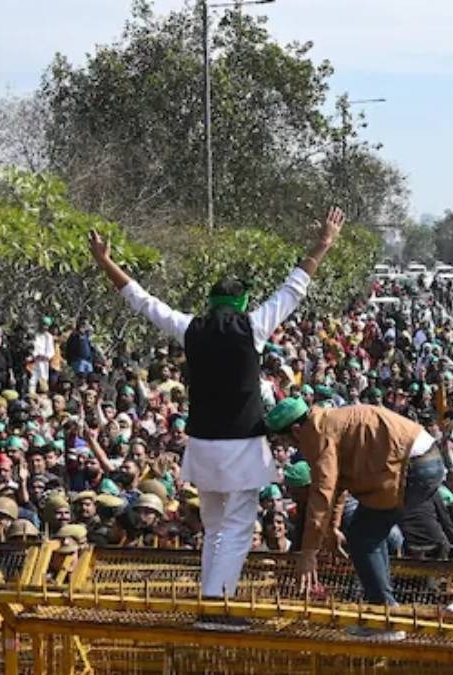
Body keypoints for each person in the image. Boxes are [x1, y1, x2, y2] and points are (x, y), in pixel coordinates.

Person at [88, 207, 344, 629]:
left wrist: (105, 262)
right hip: (241, 448)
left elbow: (142, 301)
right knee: (238, 528)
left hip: (203, 447)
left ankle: (212, 604)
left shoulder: (191, 328)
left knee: (214, 527)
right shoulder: (254, 326)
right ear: (242, 302)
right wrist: (323, 244)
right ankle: (217, 609)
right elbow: (294, 288)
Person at [265, 396, 442, 641]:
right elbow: (338, 485)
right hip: (422, 461)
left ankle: (385, 618)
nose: (292, 448)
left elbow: (323, 492)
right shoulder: (327, 423)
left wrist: (308, 553)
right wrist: (334, 527)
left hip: (413, 465)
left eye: (286, 441)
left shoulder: (319, 434)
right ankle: (384, 611)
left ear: (296, 430)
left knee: (363, 536)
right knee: (365, 533)